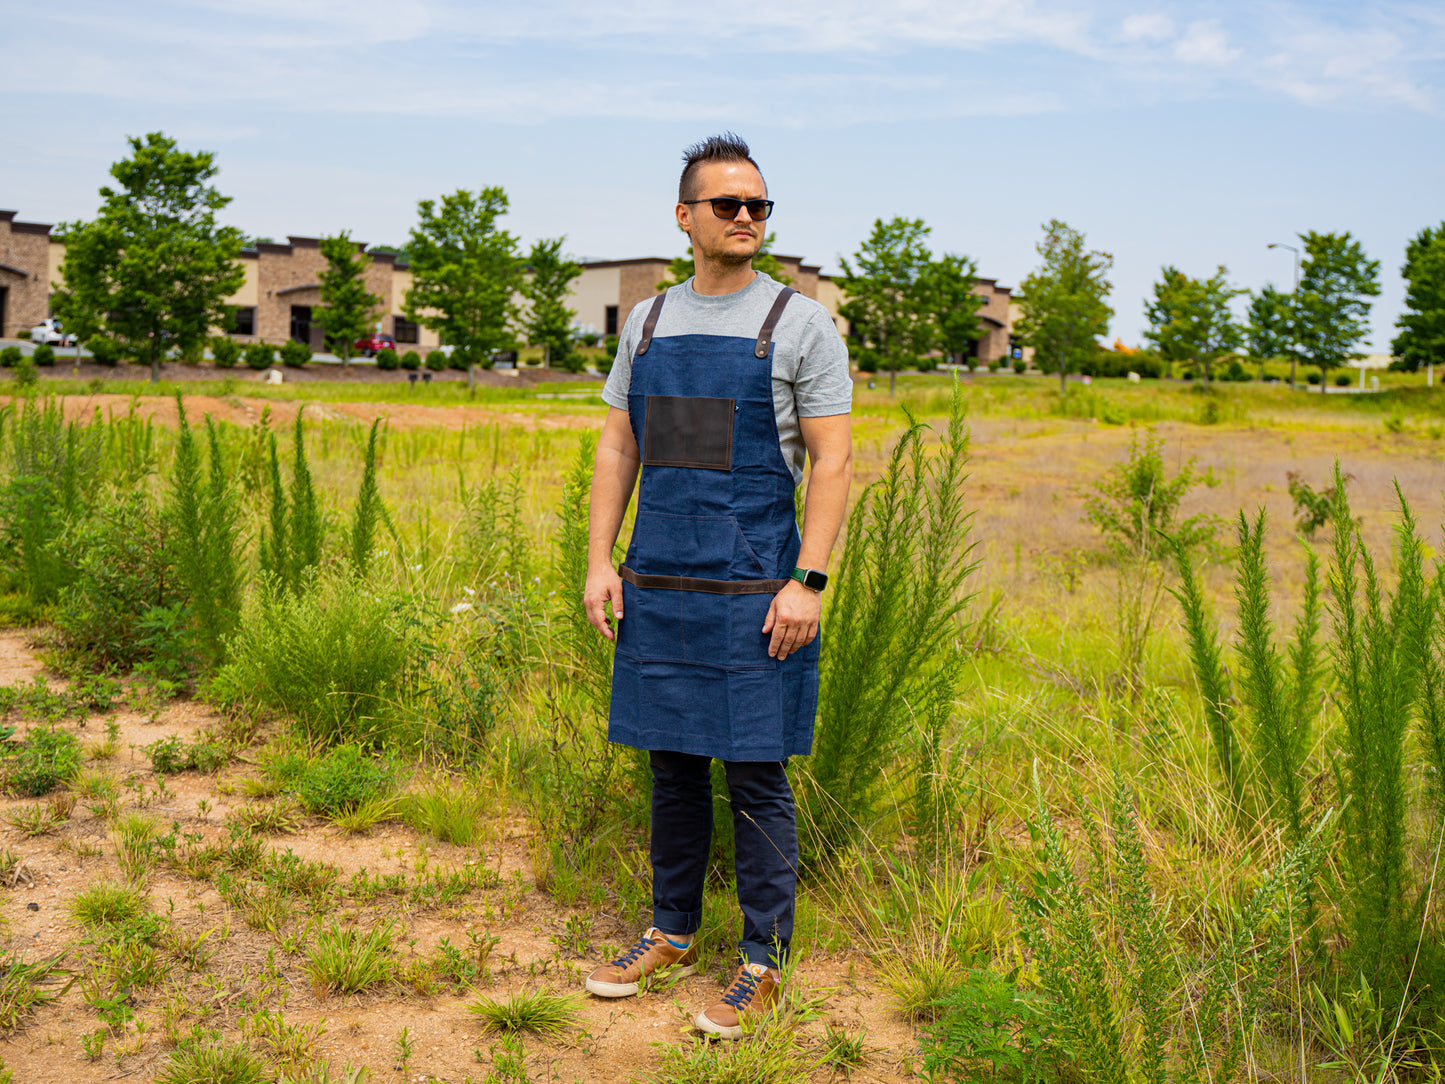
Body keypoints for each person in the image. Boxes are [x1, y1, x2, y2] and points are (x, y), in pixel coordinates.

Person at [581, 133, 853, 1039]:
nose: (746, 219)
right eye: (729, 205)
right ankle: (670, 930)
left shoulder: (800, 323)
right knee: (670, 763)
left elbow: (833, 460)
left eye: (759, 206)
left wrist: (806, 581)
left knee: (755, 770)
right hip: (657, 578)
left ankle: (762, 962)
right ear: (685, 216)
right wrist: (599, 562)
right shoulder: (647, 323)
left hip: (753, 587)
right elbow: (619, 446)